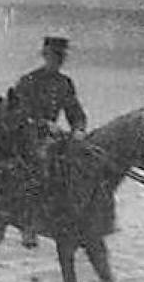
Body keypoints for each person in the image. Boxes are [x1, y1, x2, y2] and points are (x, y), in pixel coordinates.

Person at [11, 35, 88, 247]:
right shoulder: (29, 81)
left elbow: (76, 112)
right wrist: (43, 124)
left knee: (81, 162)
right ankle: (30, 222)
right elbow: (18, 113)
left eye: (60, 57)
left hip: (53, 138)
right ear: (45, 56)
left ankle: (74, 219)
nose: (57, 61)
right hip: (27, 137)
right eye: (53, 56)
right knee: (41, 163)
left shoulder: (65, 83)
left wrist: (79, 129)